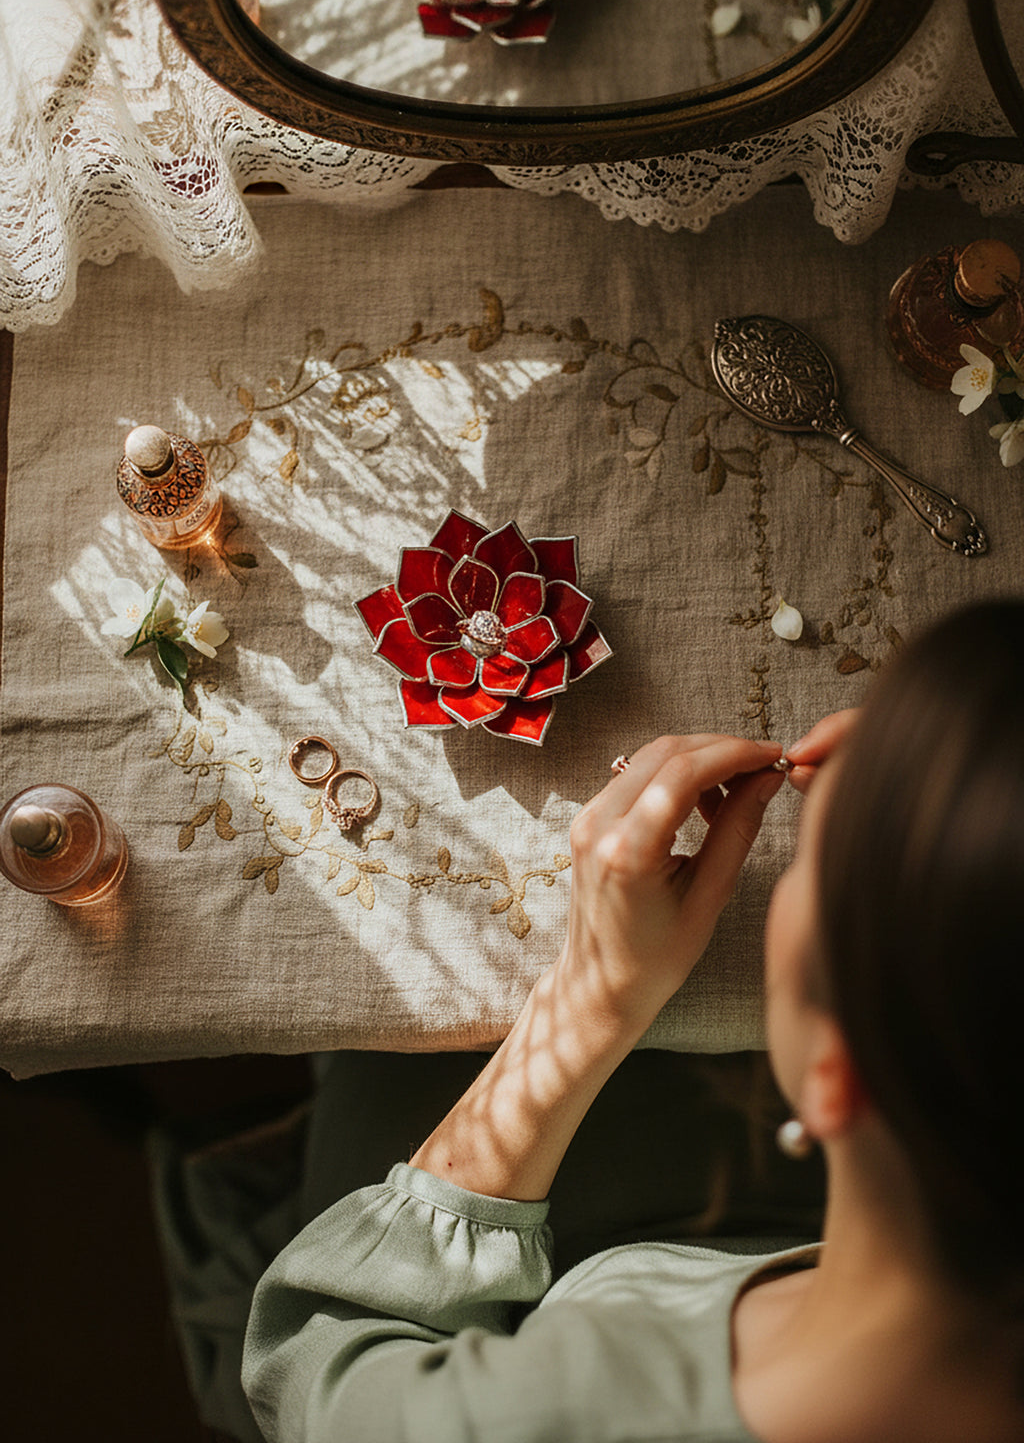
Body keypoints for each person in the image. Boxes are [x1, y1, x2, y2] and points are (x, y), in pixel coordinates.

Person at [241, 601, 1024, 1443]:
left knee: (364, 1075)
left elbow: (315, 1356)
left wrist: (587, 1002)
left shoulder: (551, 1416)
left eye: (816, 866)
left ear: (837, 1075)